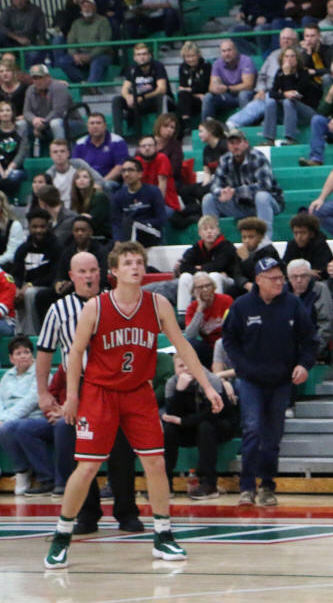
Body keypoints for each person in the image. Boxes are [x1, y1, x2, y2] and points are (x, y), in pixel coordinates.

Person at [44, 241, 223, 569]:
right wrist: (72, 396)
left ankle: (163, 535)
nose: (136, 267)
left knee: (155, 463)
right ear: (113, 271)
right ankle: (62, 536)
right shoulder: (96, 307)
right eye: (127, 263)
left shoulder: (158, 304)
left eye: (139, 262)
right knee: (87, 468)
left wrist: (208, 385)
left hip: (138, 392)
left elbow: (183, 347)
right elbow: (75, 352)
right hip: (100, 393)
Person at [36, 252, 141, 531]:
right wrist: (43, 392)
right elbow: (44, 352)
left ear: (101, 272)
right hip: (80, 386)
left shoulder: (116, 302)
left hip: (116, 385)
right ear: (72, 276)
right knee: (80, 453)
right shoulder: (59, 309)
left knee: (121, 450)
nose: (89, 276)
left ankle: (127, 513)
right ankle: (86, 513)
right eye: (82, 271)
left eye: (93, 270)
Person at [221, 256, 317, 506]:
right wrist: (242, 366)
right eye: (273, 278)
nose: (279, 282)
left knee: (273, 436)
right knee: (252, 429)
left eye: (280, 277)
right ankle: (246, 487)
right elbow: (229, 339)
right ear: (259, 280)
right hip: (251, 380)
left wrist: (304, 364)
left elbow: (310, 339)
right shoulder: (241, 306)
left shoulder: (293, 304)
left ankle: (267, 485)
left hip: (281, 380)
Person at [161, 352, 237, 500]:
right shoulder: (172, 383)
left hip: (219, 425)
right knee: (169, 429)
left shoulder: (212, 380)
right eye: (180, 366)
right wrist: (180, 391)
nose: (185, 369)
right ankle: (165, 483)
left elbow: (212, 413)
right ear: (175, 368)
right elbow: (172, 414)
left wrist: (183, 422)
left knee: (205, 427)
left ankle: (209, 484)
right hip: (191, 427)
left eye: (188, 364)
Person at [201, 128, 284, 238]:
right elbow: (215, 184)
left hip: (265, 205)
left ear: (246, 143)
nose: (235, 146)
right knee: (208, 199)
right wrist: (222, 192)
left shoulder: (258, 157)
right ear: (228, 145)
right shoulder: (225, 159)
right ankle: (213, 240)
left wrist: (236, 191)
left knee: (262, 197)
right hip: (239, 204)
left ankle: (265, 241)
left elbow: (265, 185)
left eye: (238, 142)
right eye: (232, 143)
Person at [0, 336, 53, 496]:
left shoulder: (41, 373)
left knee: (8, 428)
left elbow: (31, 401)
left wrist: (5, 419)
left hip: (34, 417)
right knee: (7, 427)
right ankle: (21, 471)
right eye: (18, 353)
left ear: (32, 355)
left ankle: (22, 471)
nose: (23, 356)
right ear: (11, 358)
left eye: (26, 352)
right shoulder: (6, 376)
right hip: (8, 418)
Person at [110, 159, 167, 247]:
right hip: (128, 233)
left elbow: (161, 218)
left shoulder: (153, 191)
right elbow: (116, 222)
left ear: (140, 174)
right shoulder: (118, 196)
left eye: (130, 170)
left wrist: (141, 224)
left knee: (130, 224)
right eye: (124, 171)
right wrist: (117, 240)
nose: (126, 174)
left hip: (150, 232)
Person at [182, 271, 233, 368]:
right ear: (194, 292)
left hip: (226, 345)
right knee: (190, 343)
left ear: (213, 287)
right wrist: (200, 310)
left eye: (208, 285)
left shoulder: (226, 300)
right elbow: (190, 335)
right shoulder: (193, 308)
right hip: (209, 348)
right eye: (200, 287)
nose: (205, 289)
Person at [72, 112, 128, 191]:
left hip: (110, 182)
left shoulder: (117, 141)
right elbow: (75, 167)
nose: (95, 126)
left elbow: (120, 166)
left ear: (105, 126)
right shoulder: (80, 143)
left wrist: (101, 183)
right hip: (87, 182)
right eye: (92, 123)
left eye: (98, 123)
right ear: (87, 127)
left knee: (106, 185)